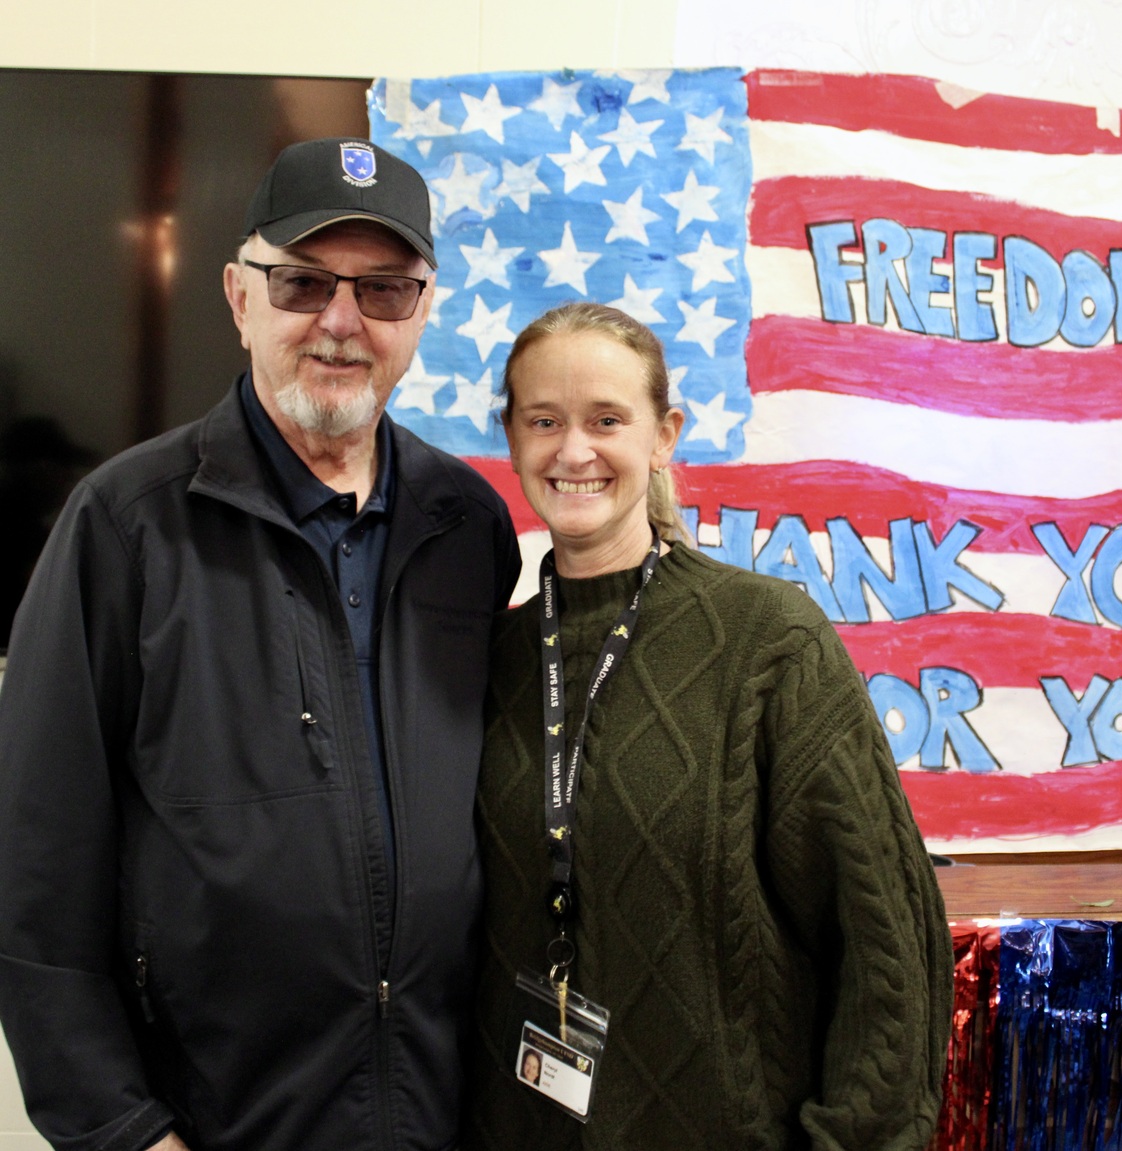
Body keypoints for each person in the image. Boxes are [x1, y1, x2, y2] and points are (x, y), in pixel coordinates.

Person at [0, 138, 521, 1151]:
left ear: (423, 313)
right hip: (211, 1123)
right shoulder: (124, 526)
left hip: (443, 1118)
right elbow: (34, 870)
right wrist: (119, 1128)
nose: (340, 320)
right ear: (240, 298)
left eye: (384, 289)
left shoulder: (469, 525)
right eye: (302, 282)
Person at [467, 302, 951, 1150]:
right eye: (544, 420)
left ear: (664, 435)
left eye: (607, 420)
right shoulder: (488, 659)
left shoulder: (770, 643)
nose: (573, 451)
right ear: (511, 436)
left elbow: (888, 953)